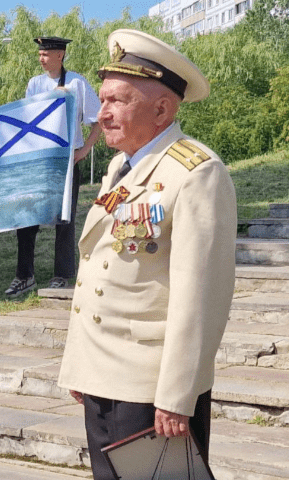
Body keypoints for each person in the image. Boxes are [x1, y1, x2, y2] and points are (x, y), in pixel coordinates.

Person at [56, 29, 237, 479]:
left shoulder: (195, 173)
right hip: (104, 374)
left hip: (150, 388)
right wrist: (82, 365)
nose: (103, 114)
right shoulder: (122, 166)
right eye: (102, 100)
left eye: (118, 101)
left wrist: (178, 395)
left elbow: (200, 297)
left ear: (161, 108)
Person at [5, 36, 102, 297]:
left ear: (60, 55)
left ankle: (62, 275)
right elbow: (27, 119)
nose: (41, 58)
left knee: (65, 220)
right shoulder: (35, 84)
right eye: (39, 54)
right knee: (27, 219)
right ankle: (24, 275)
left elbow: (98, 120)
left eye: (45, 54)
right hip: (39, 161)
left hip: (67, 160)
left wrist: (84, 150)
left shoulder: (77, 83)